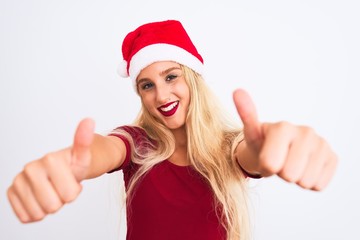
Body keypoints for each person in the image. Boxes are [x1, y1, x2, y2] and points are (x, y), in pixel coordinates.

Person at [7, 20, 338, 240]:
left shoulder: (228, 146)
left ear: (192, 78)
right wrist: (71, 163)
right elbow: (104, 149)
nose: (161, 96)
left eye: (171, 76)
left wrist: (271, 150)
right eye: (147, 85)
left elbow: (251, 155)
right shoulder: (136, 143)